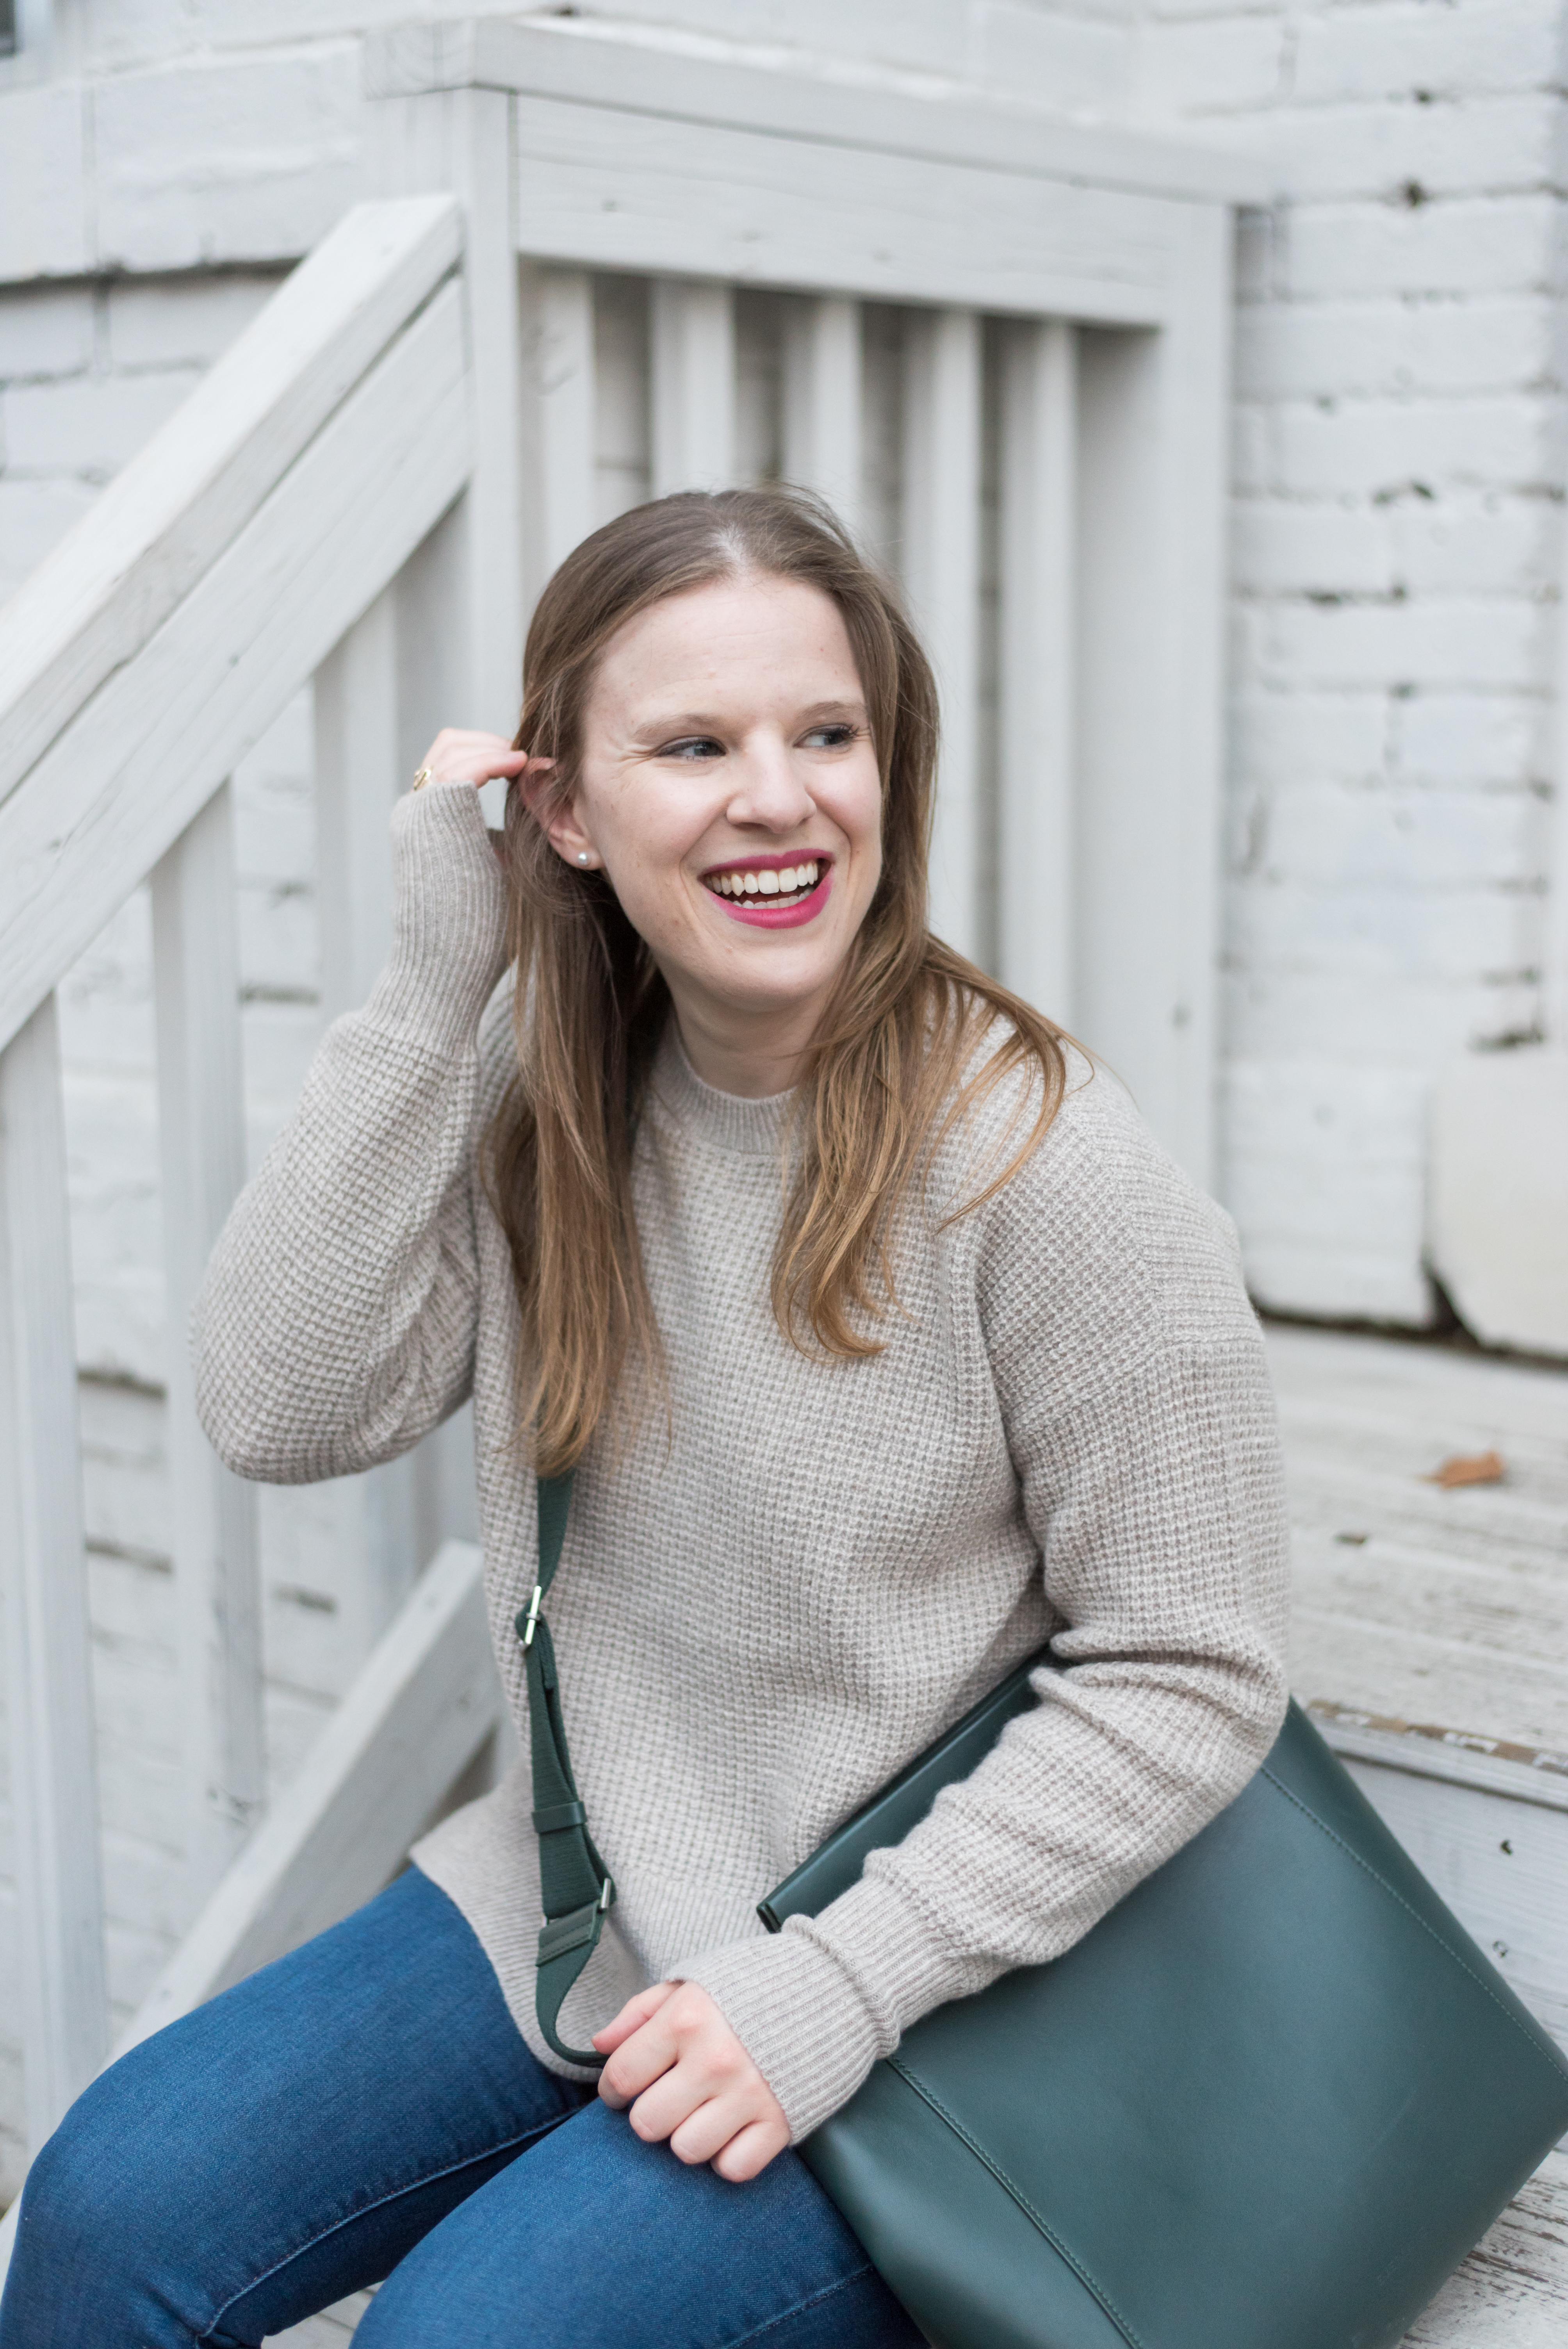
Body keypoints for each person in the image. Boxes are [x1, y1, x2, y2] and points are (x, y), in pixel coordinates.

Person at [0, 488, 1289, 2348]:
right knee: (110, 2206)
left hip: (907, 1976)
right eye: (692, 745)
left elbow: (1193, 1665)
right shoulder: (555, 1085)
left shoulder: (1043, 1161)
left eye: (823, 733)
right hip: (577, 1896)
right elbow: (279, 1403)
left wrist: (837, 1985)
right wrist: (440, 983)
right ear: (568, 815)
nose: (779, 796)